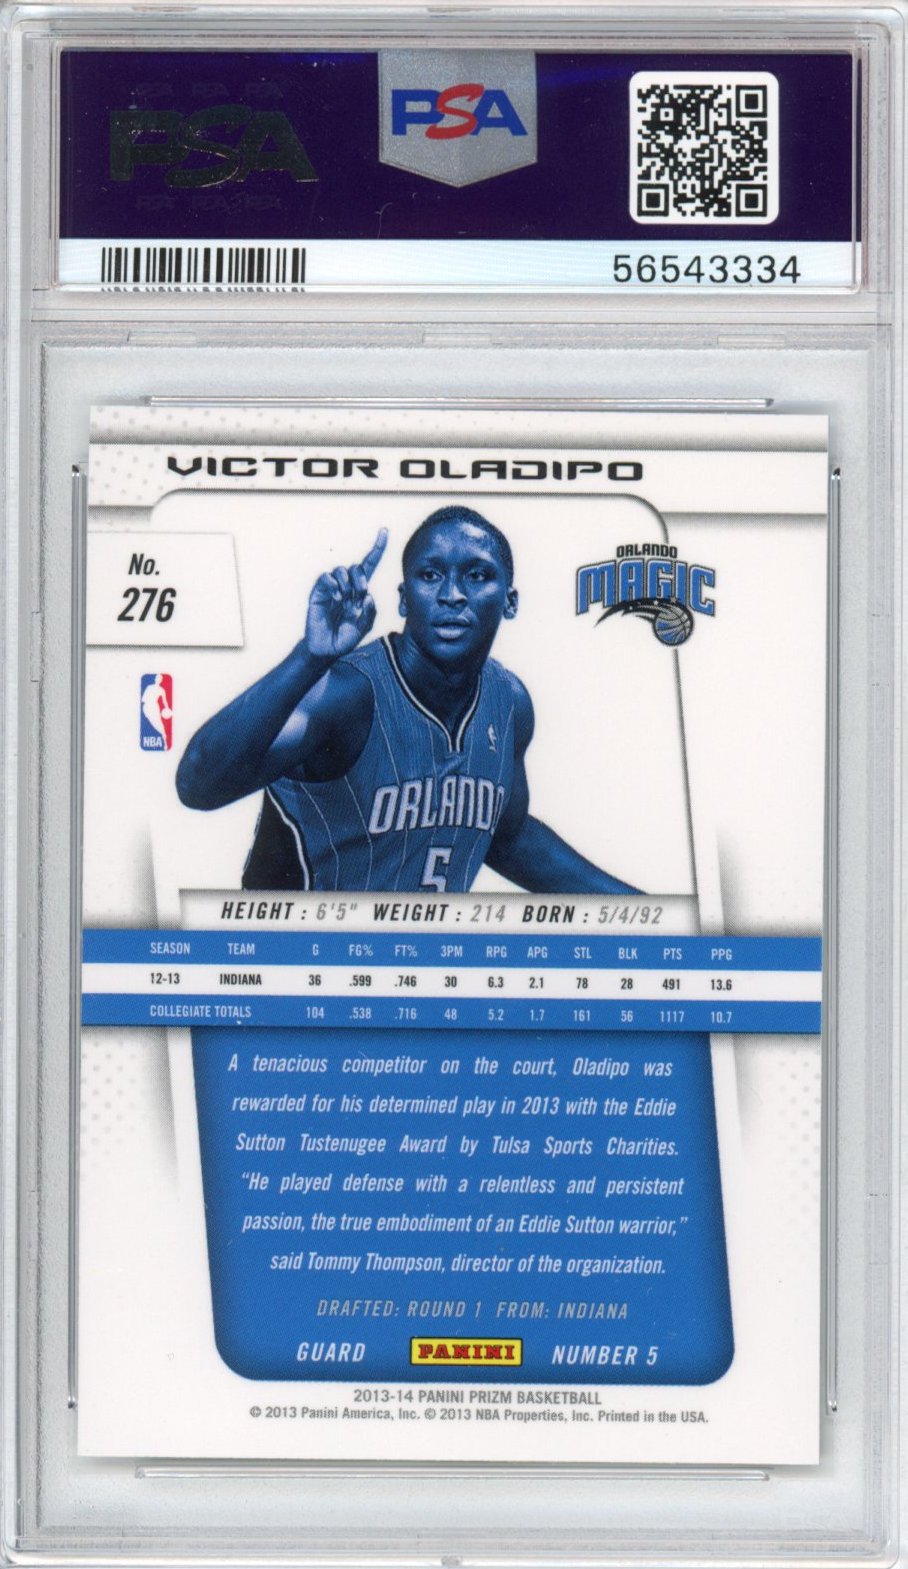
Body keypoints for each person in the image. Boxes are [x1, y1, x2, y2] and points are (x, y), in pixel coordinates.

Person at [176, 505, 636, 895]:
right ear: (403, 599)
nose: (452, 595)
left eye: (477, 575)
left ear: (510, 601)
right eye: (430, 575)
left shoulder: (509, 701)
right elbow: (198, 786)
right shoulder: (347, 694)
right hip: (298, 958)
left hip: (414, 960)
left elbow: (507, 838)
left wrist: (639, 910)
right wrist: (309, 658)